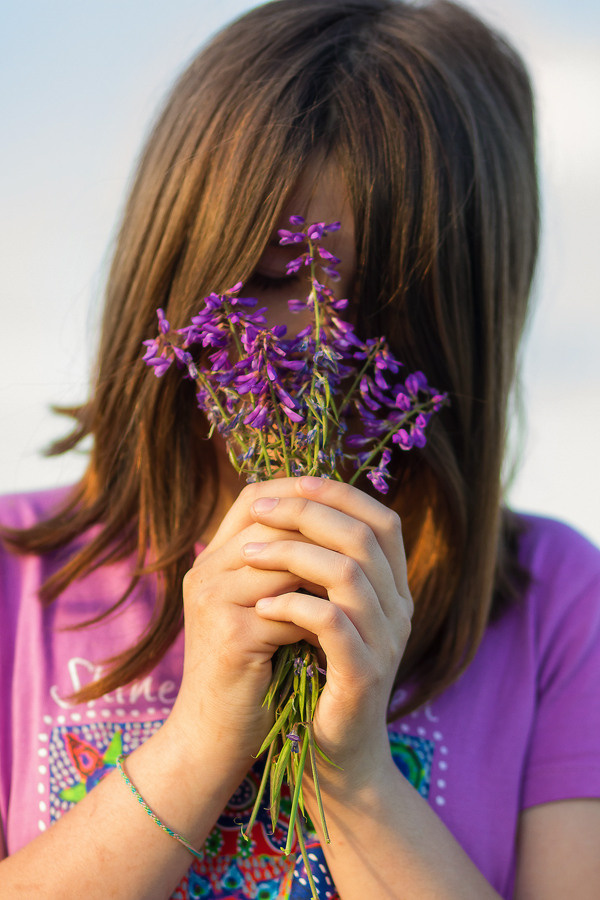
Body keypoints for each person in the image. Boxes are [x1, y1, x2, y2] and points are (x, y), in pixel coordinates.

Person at [1, 0, 599, 897]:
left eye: (385, 303)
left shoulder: (559, 604)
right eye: (282, 278)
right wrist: (203, 738)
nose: (322, 346)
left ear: (462, 319)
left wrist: (353, 773)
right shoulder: (16, 578)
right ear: (175, 258)